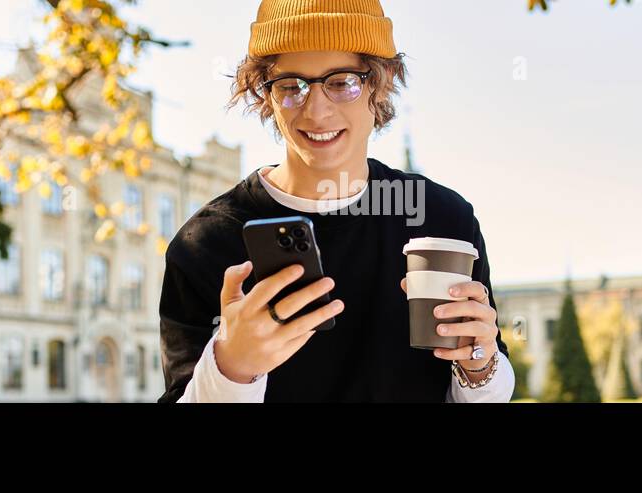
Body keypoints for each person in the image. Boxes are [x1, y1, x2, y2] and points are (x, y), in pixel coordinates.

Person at [157, 0, 513, 402]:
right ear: (266, 95)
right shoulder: (205, 244)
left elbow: (486, 389)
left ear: (378, 85)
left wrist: (480, 365)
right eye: (292, 85)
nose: (317, 110)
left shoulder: (443, 219)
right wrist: (232, 368)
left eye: (342, 82)